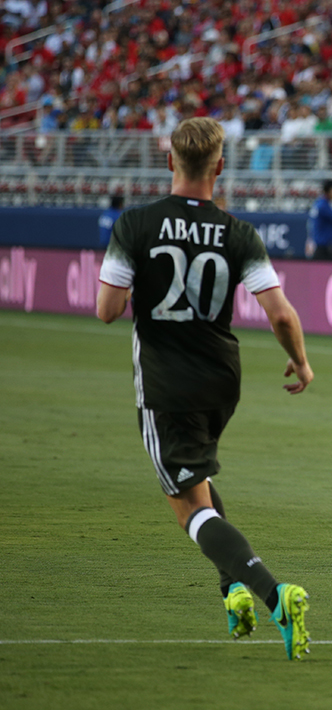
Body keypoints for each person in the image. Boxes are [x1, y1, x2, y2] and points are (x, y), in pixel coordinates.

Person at [95, 117, 312, 660]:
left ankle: (272, 594)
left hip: (168, 384)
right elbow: (281, 314)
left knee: (189, 508)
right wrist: (301, 364)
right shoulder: (238, 233)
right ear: (219, 166)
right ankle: (231, 590)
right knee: (199, 481)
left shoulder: (136, 225)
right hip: (223, 376)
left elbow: (107, 310)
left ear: (170, 162)